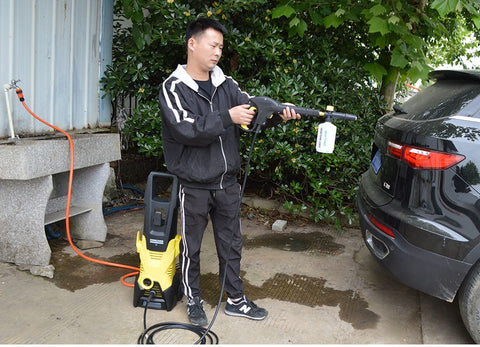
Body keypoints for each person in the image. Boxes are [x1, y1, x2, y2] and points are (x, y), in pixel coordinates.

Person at [158, 18, 300, 326]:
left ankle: (236, 299)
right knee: (190, 247)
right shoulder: (173, 88)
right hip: (194, 184)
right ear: (192, 44)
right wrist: (227, 116)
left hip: (227, 183)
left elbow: (250, 114)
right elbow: (186, 129)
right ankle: (192, 298)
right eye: (212, 45)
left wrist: (278, 116)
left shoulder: (227, 84)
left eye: (221, 47)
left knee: (231, 244)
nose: (217, 52)